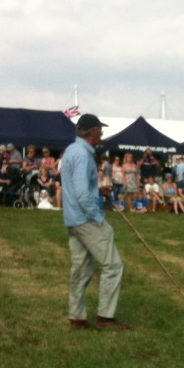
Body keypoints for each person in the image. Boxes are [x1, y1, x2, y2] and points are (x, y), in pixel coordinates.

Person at [60, 114, 129, 331]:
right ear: (92, 131)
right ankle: (106, 318)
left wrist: (98, 191)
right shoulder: (82, 155)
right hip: (86, 218)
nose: (102, 133)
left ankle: (77, 318)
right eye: (100, 129)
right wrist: (97, 217)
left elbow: (77, 188)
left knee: (80, 269)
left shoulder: (72, 150)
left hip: (73, 219)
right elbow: (81, 194)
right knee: (113, 265)